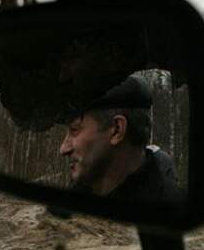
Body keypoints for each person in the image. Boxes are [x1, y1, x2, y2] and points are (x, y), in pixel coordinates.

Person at [59, 74, 182, 203]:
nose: (63, 149)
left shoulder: (166, 207)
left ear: (117, 129)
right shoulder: (82, 187)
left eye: (74, 130)